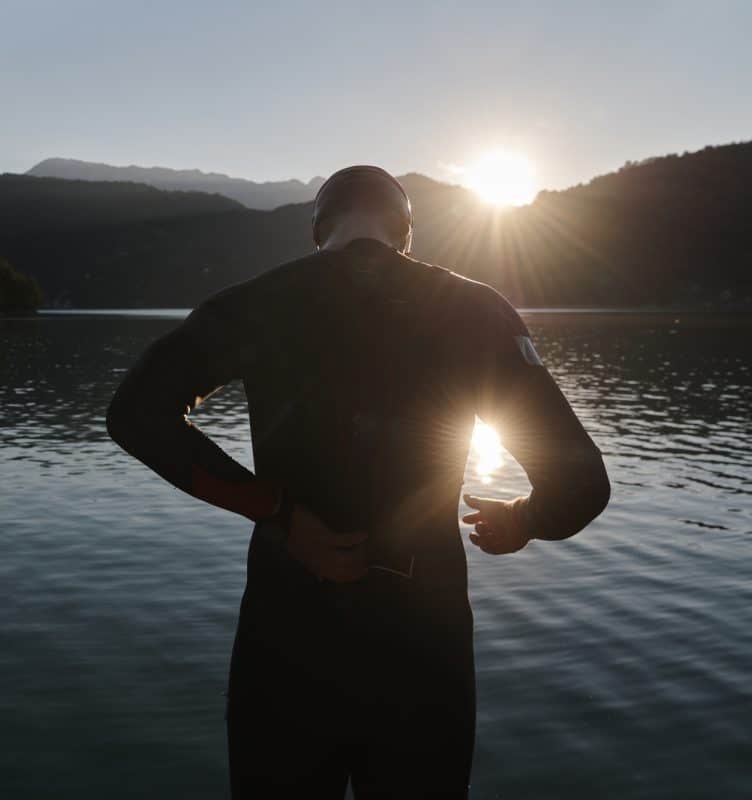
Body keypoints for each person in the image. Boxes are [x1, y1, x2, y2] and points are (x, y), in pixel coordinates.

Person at [106, 165, 610, 799]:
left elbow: (134, 415)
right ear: (406, 234)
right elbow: (582, 485)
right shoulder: (476, 310)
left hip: (285, 645)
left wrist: (282, 514)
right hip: (424, 656)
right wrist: (524, 520)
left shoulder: (255, 302)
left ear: (319, 231)